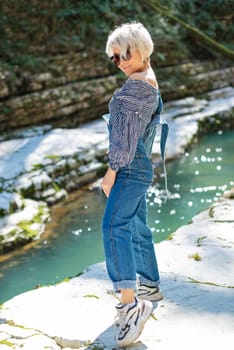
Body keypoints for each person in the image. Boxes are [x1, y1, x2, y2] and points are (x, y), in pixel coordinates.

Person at [101, 22, 167, 347]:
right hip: (139, 168)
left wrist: (111, 173)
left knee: (114, 228)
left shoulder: (138, 88)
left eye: (126, 53)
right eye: (115, 58)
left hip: (128, 170)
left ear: (142, 47)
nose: (122, 61)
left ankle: (130, 307)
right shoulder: (146, 78)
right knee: (137, 227)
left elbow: (125, 142)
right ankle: (150, 286)